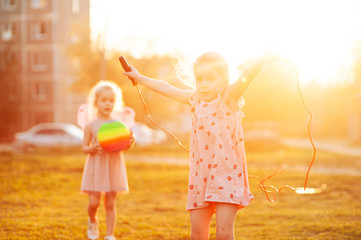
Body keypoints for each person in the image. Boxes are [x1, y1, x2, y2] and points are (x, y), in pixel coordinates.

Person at [122, 52, 277, 240]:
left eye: (210, 79)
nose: (203, 84)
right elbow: (165, 87)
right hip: (200, 177)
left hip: (226, 175)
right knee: (196, 234)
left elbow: (247, 76)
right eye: (199, 79)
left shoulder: (228, 99)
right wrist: (138, 77)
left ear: (224, 79)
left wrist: (260, 59)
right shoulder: (195, 100)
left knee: (224, 233)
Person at [80, 80, 135, 240]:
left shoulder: (119, 125)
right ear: (96, 102)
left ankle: (109, 235)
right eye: (104, 100)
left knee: (110, 204)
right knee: (93, 203)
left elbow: (124, 147)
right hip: (96, 167)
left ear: (115, 103)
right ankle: (92, 220)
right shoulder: (91, 126)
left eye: (111, 101)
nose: (107, 104)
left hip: (113, 166)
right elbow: (84, 147)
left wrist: (130, 142)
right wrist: (92, 148)